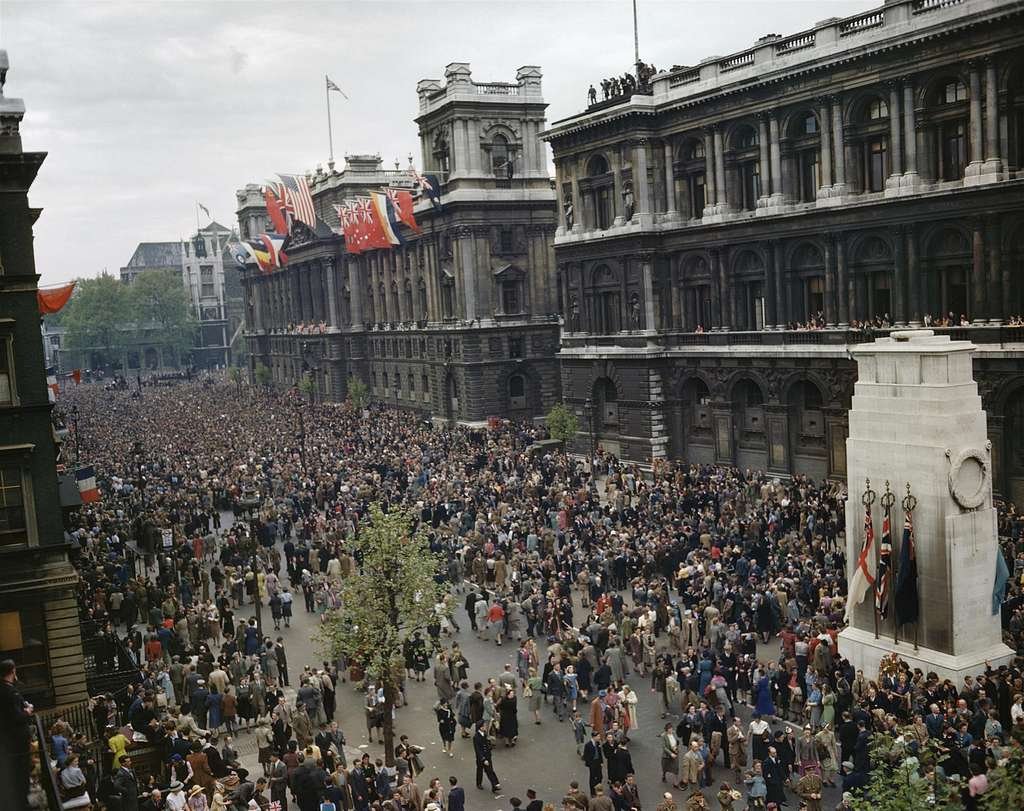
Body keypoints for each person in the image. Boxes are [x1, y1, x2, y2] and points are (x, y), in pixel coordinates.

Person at [0, 660, 34, 811]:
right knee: (21, 770)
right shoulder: (10, 691)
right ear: (13, 671)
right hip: (17, 739)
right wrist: (27, 711)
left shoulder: (4, 689)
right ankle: (23, 803)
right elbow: (16, 717)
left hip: (9, 739)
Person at [473, 722, 500, 792]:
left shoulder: (484, 734)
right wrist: (483, 759)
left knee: (490, 770)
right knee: (480, 770)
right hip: (481, 758)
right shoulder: (476, 737)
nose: (485, 727)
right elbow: (477, 749)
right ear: (480, 727)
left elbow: (486, 744)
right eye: (484, 726)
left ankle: (495, 785)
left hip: (487, 755)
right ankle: (479, 783)